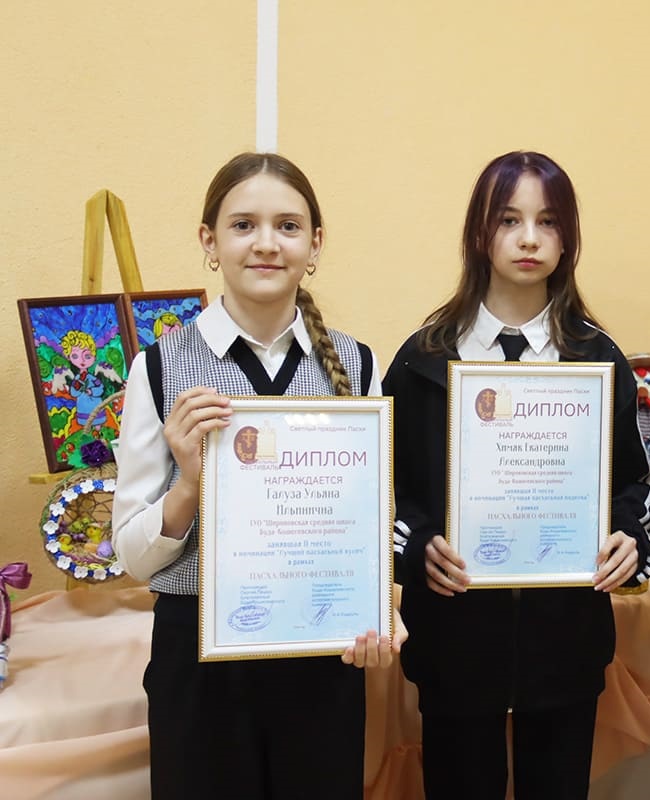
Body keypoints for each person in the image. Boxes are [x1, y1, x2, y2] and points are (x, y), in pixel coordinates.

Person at [111, 152, 402, 800]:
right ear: (209, 242)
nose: (266, 243)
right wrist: (188, 486)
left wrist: (378, 607)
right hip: (199, 664)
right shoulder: (158, 367)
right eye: (243, 225)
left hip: (321, 654)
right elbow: (131, 557)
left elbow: (371, 525)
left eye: (287, 226)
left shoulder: (357, 364)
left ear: (315, 244)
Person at [386, 150, 650, 799]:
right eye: (509, 220)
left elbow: (632, 484)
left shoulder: (596, 359)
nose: (529, 238)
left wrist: (628, 539)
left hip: (565, 644)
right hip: (454, 642)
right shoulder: (423, 359)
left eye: (548, 221)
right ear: (479, 234)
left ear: (568, 238)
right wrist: (418, 549)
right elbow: (388, 494)